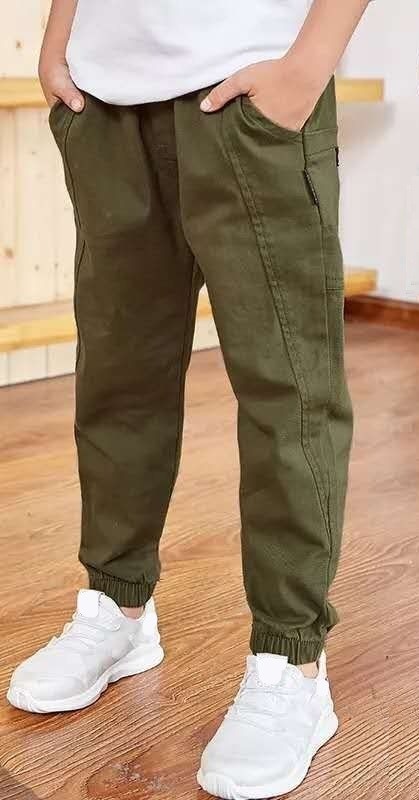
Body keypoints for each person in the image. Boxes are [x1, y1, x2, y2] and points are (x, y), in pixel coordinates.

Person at [7, 0, 372, 796]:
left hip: (248, 92)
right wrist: (60, 39)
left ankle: (289, 663)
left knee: (287, 390)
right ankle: (116, 608)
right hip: (106, 102)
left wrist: (307, 64)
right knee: (118, 378)